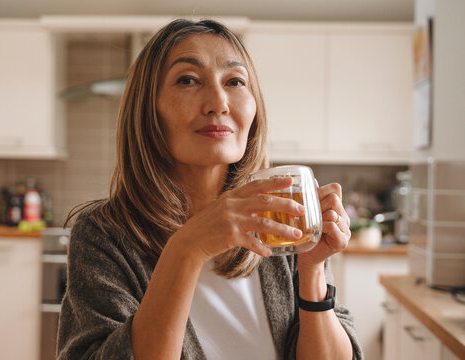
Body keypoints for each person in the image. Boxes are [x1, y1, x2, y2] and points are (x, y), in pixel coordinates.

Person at [57, 18, 363, 360]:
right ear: (148, 110)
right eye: (187, 80)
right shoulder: (103, 235)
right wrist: (187, 247)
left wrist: (312, 272)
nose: (219, 103)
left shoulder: (281, 219)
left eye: (234, 81)